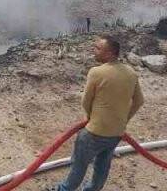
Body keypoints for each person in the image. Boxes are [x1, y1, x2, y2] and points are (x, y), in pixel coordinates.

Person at [57, 36, 143, 191]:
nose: (93, 51)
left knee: (78, 166)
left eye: (98, 48)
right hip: (116, 133)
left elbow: (85, 101)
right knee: (102, 167)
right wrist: (124, 121)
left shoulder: (96, 72)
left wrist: (91, 118)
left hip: (94, 132)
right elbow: (139, 101)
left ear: (110, 54)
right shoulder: (131, 73)